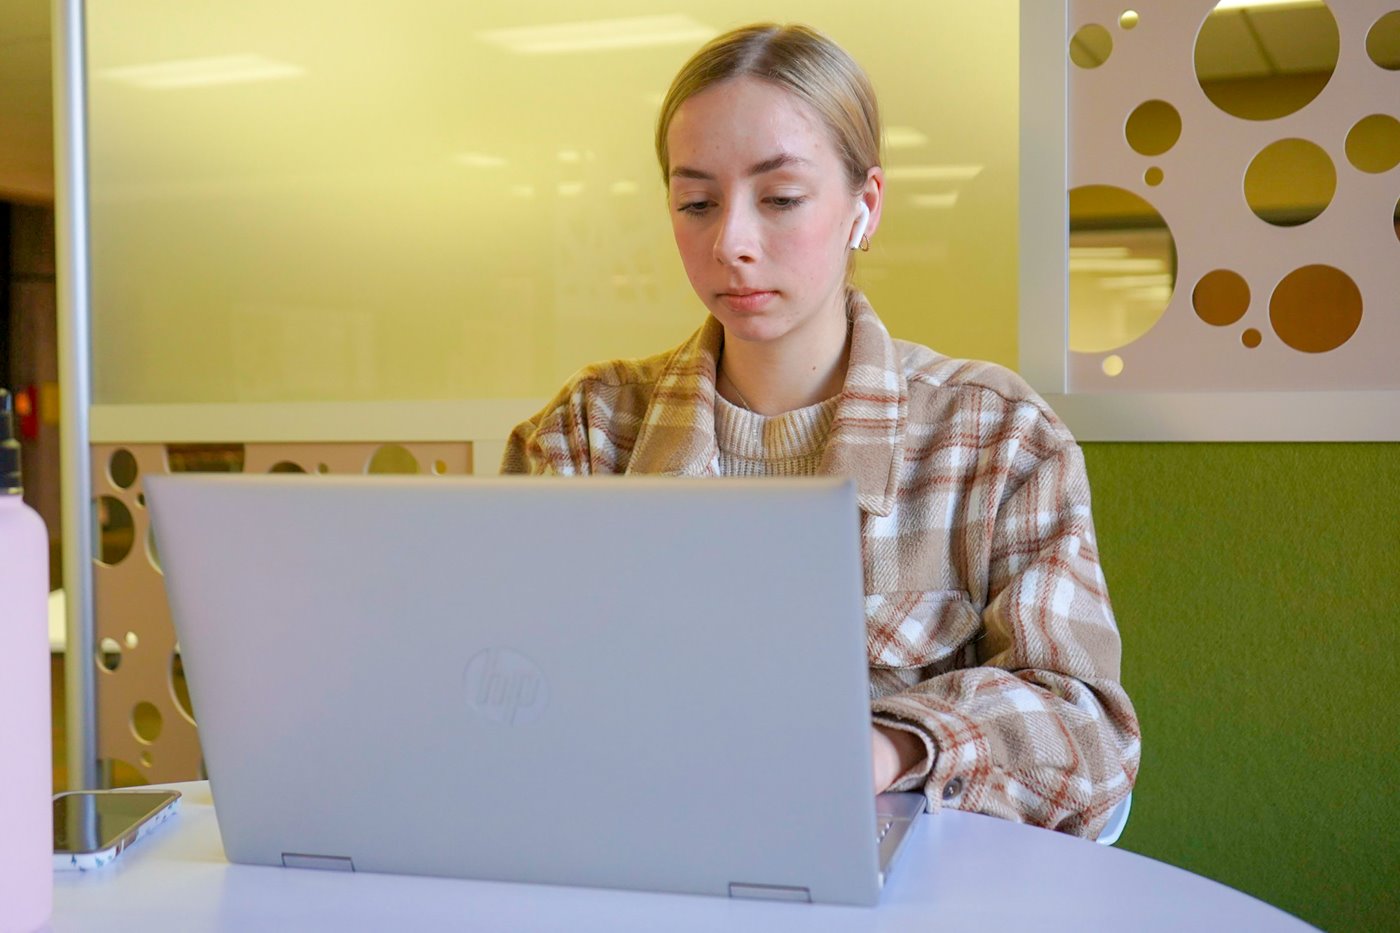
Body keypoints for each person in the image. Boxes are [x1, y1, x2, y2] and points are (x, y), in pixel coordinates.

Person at [501, 23, 1140, 838]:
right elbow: (498, 687)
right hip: (629, 859)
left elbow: (1087, 733)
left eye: (781, 199)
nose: (730, 241)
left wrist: (887, 748)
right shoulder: (586, 433)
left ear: (863, 207)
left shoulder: (994, 437)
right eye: (696, 202)